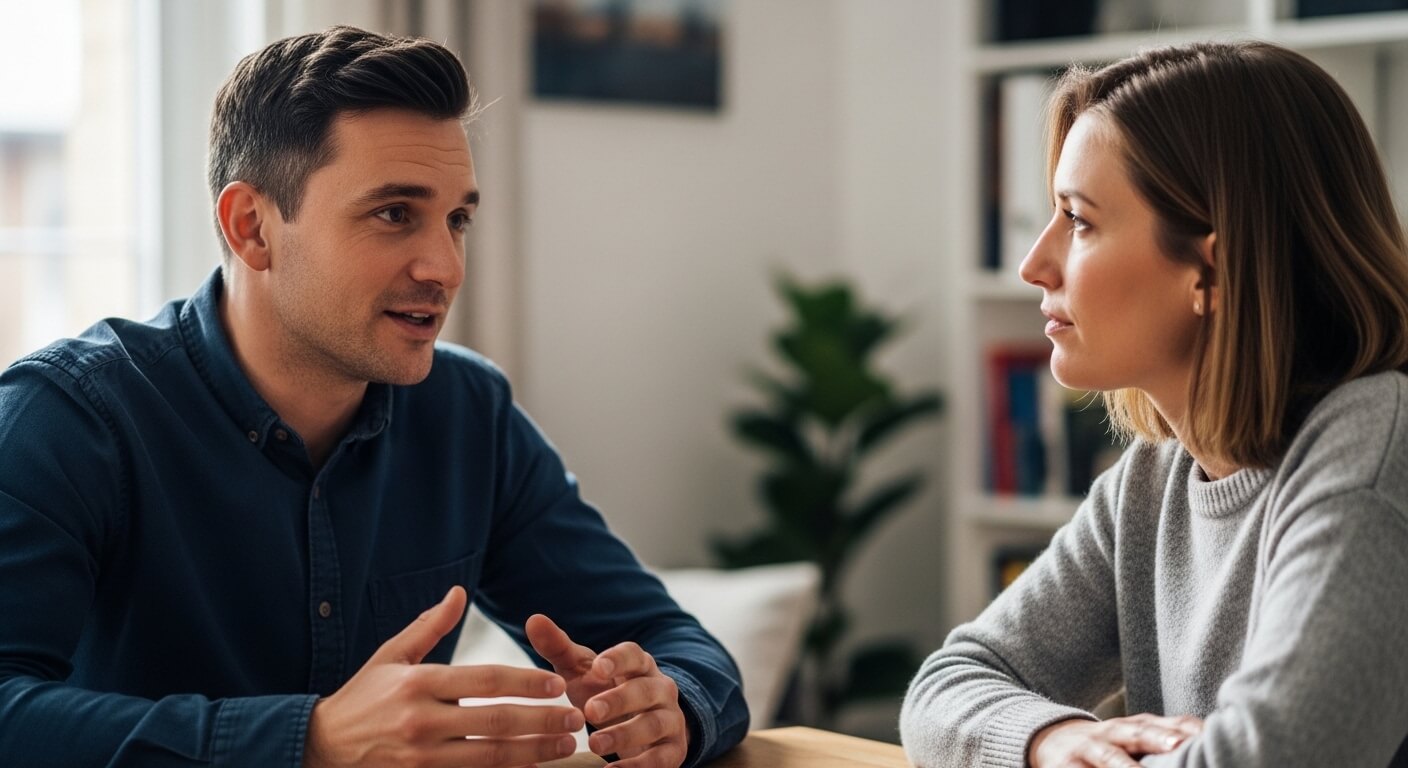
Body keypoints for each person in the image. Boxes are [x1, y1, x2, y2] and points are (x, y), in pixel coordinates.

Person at [0, 25, 747, 768]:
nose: (446, 267)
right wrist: (312, 740)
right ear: (250, 227)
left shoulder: (468, 416)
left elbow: (678, 647)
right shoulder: (67, 419)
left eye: (458, 219)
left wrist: (666, 707)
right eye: (395, 214)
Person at [901, 40, 1408, 768]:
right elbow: (943, 690)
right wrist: (1055, 739)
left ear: (1212, 268)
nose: (1033, 264)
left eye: (1078, 221)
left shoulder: (1372, 454)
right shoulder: (1153, 480)